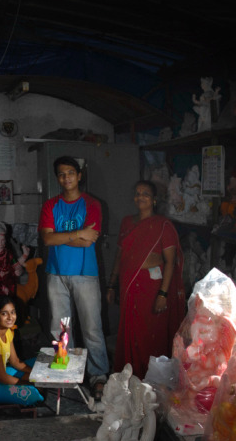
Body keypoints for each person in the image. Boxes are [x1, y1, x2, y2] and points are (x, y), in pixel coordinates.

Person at [38, 155, 109, 402]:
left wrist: (62, 235)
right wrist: (77, 233)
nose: (66, 177)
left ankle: (98, 376)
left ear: (79, 176)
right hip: (56, 274)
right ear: (57, 178)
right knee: (61, 328)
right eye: (61, 174)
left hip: (85, 275)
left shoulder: (92, 204)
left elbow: (89, 241)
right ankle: (66, 373)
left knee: (92, 328)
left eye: (70, 172)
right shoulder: (50, 205)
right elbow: (48, 239)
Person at [107, 180, 186, 380]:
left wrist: (163, 293)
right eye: (137, 193)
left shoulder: (163, 226)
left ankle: (153, 381)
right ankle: (131, 377)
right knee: (130, 333)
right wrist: (111, 284)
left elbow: (170, 262)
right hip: (129, 285)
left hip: (152, 289)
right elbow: (119, 256)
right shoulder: (127, 222)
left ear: (154, 200)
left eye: (146, 194)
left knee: (152, 335)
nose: (140, 197)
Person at [0, 294, 44, 407]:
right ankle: (32, 387)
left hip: (3, 373)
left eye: (12, 312)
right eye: (4, 313)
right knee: (32, 393)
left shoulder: (6, 331)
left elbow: (15, 361)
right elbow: (1, 377)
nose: (10, 317)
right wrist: (29, 383)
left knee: (38, 363)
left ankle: (33, 381)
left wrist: (34, 374)